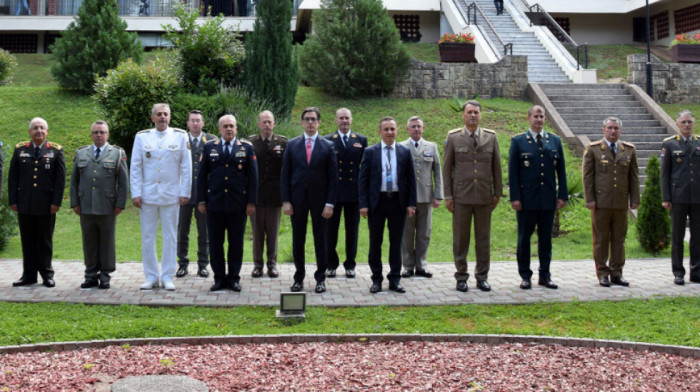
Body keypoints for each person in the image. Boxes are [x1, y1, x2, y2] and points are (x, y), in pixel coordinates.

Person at [442, 100, 503, 293]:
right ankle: (461, 277)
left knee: (483, 239)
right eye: (469, 112)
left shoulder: (491, 138)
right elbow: (446, 169)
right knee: (461, 240)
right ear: (463, 115)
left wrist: (497, 193)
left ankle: (482, 277)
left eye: (476, 112)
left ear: (480, 115)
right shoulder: (453, 138)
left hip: (484, 197)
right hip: (461, 197)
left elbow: (497, 168)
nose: (473, 115)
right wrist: (448, 196)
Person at [130, 103, 192, 291]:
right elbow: (135, 167)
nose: (162, 117)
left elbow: (186, 167)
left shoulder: (180, 136)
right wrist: (136, 193)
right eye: (159, 114)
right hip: (148, 196)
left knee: (170, 236)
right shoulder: (142, 137)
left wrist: (185, 192)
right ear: (152, 118)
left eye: (165, 114)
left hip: (171, 195)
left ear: (170, 117)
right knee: (147, 237)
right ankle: (150, 276)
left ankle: (167, 276)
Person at [508, 105, 567, 290]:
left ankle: (545, 275)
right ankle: (525, 275)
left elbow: (561, 171)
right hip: (526, 200)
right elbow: (513, 173)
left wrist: (562, 195)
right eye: (536, 116)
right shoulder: (518, 141)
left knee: (545, 240)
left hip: (547, 199)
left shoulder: (555, 141)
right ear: (528, 118)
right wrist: (515, 197)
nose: (539, 120)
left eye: (542, 116)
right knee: (524, 239)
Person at [280, 107, 338, 294]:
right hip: (297, 201)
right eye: (307, 119)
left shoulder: (328, 146)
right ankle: (299, 278)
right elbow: (285, 175)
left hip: (321, 202)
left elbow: (333, 178)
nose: (310, 122)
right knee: (298, 240)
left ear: (319, 122)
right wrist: (286, 201)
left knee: (321, 239)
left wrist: (330, 203)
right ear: (302, 122)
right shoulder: (292, 144)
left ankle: (321, 278)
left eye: (314, 119)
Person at [198, 115, 258, 292]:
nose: (229, 129)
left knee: (236, 243)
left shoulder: (246, 148)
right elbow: (201, 177)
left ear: (236, 129)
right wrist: (201, 200)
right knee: (216, 244)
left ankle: (233, 278)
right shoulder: (209, 147)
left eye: (232, 126)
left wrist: (251, 203)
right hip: (214, 204)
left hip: (238, 205)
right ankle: (219, 279)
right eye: (225, 126)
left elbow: (253, 178)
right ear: (219, 130)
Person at [359, 116, 417, 294]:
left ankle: (394, 279)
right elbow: (363, 180)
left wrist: (411, 204)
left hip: (397, 202)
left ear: (397, 130)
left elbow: (411, 180)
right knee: (375, 242)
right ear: (380, 132)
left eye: (392, 129)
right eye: (386, 129)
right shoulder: (370, 152)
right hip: (377, 202)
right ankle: (376, 279)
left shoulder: (404, 152)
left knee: (396, 242)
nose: (390, 132)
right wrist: (363, 204)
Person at [70, 121, 129, 290]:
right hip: (86, 205)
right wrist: (75, 202)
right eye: (96, 132)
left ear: (108, 135)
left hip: (107, 206)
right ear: (91, 135)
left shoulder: (117, 153)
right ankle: (90, 275)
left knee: (106, 241)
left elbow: (123, 183)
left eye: (102, 132)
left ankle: (105, 275)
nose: (99, 135)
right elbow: (74, 181)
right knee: (89, 242)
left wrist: (120, 204)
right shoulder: (81, 153)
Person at [582, 117, 640, 287]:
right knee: (601, 239)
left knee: (619, 239)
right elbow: (587, 177)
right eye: (610, 128)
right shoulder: (593, 149)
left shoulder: (629, 150)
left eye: (616, 128)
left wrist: (635, 199)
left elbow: (634, 177)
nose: (613, 131)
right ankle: (602, 273)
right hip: (601, 202)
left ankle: (616, 272)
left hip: (621, 202)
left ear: (620, 131)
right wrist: (590, 199)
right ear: (604, 130)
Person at [8, 117, 65, 288]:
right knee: (27, 240)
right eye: (35, 128)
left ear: (47, 131)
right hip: (25, 204)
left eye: (42, 128)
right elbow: (13, 178)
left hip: (46, 205)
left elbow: (60, 180)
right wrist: (13, 200)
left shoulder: (55, 151)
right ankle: (29, 275)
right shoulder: (20, 150)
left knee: (45, 241)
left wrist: (56, 202)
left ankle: (47, 275)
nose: (38, 131)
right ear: (29, 132)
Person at [325, 108, 367, 279]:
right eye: (341, 118)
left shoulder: (361, 140)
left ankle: (350, 264)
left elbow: (364, 170)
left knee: (352, 231)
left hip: (353, 193)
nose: (344, 121)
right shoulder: (328, 140)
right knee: (330, 231)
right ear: (336, 120)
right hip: (333, 194)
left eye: (347, 118)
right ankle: (331, 264)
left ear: (351, 120)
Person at [400, 116, 442, 279]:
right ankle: (408, 266)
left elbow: (437, 172)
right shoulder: (401, 147)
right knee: (407, 233)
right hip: (407, 198)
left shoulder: (431, 146)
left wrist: (438, 195)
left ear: (423, 128)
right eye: (413, 126)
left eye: (419, 126)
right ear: (407, 129)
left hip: (426, 196)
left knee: (425, 233)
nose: (416, 129)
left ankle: (422, 265)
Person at [660, 110, 700, 285]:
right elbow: (665, 173)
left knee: (698, 237)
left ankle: (696, 271)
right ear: (677, 124)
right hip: (678, 197)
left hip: (698, 197)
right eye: (683, 122)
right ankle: (678, 272)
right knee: (677, 236)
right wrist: (666, 197)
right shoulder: (669, 144)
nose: (686, 125)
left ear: (694, 123)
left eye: (689, 122)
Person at [176, 110, 216, 279]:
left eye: (198, 120)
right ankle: (182, 264)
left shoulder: (213, 141)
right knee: (182, 231)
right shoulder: (179, 140)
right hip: (183, 192)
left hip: (204, 194)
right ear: (187, 123)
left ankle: (202, 265)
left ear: (203, 123)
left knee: (204, 231)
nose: (195, 124)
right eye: (192, 120)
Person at [248, 110, 287, 279]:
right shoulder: (250, 143)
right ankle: (257, 265)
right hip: (256, 196)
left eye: (269, 122)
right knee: (257, 233)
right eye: (263, 122)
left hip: (274, 196)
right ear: (258, 124)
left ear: (274, 124)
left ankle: (272, 265)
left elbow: (287, 170)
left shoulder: (283, 143)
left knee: (272, 233)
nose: (266, 125)